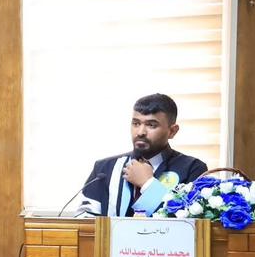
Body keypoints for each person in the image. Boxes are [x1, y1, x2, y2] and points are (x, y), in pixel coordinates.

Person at [78, 93, 208, 217]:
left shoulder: (192, 169)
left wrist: (148, 184)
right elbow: (84, 221)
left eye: (151, 125)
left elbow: (189, 221)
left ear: (172, 131)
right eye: (136, 123)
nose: (140, 132)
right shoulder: (104, 169)